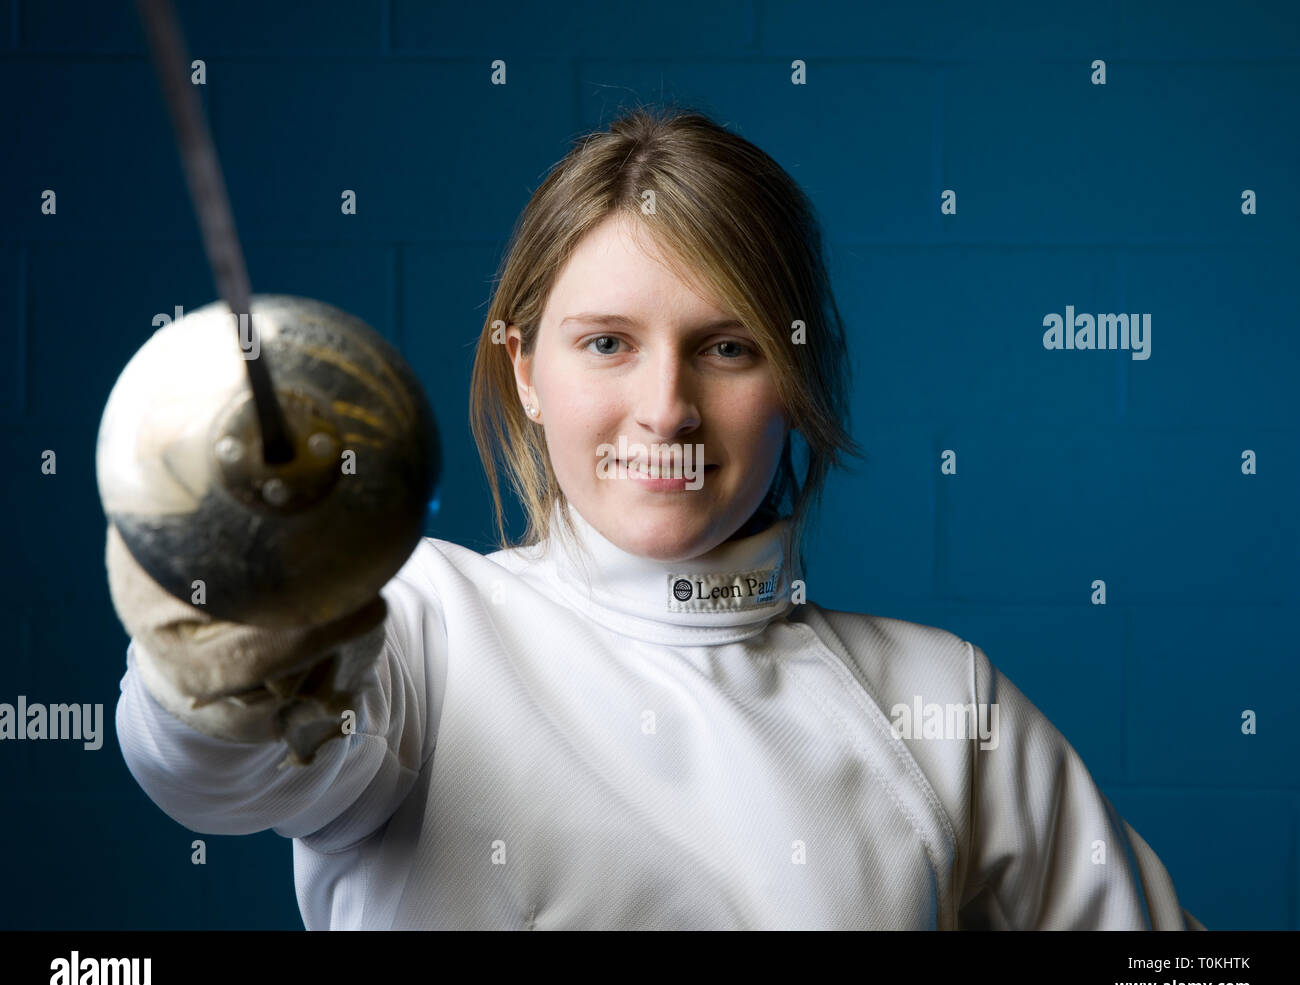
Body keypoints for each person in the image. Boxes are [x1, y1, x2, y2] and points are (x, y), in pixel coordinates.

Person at [108, 105, 1205, 931]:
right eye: (606, 342)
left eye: (726, 347)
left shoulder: (935, 698)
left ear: (791, 376)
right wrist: (238, 627)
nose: (666, 406)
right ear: (525, 369)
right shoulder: (418, 623)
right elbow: (217, 772)